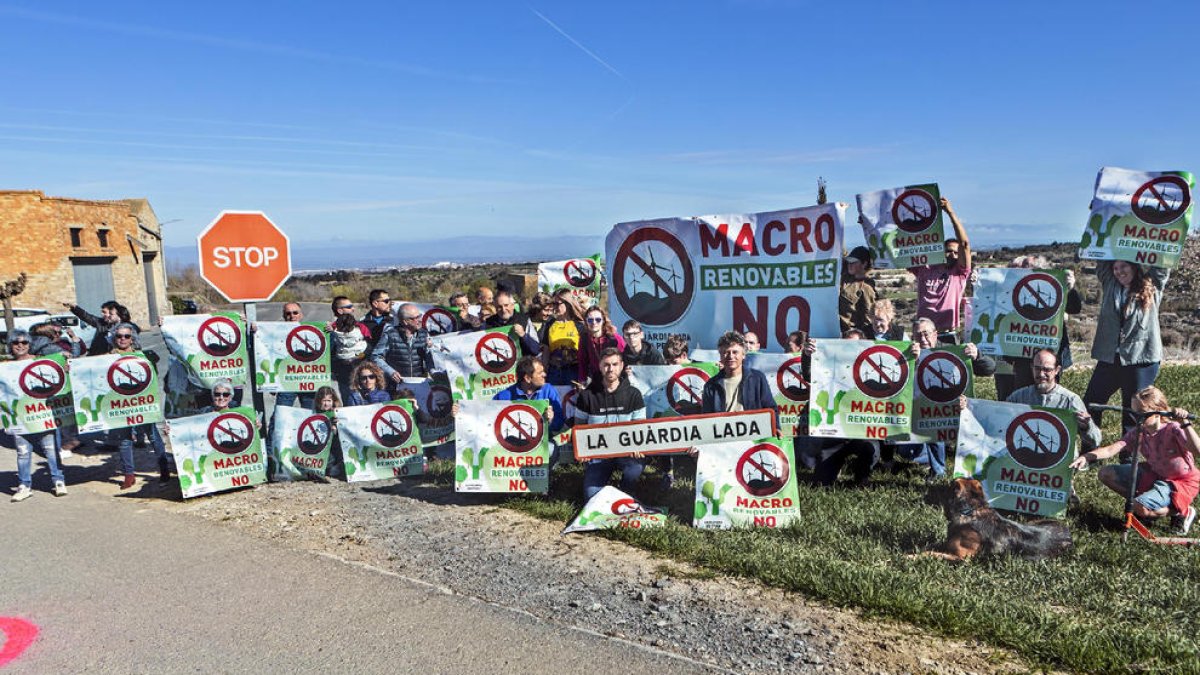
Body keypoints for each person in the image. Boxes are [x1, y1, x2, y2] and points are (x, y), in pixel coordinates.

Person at [1071, 386, 1198, 535]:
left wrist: (1185, 423)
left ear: (1158, 411)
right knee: (1105, 473)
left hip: (1180, 482)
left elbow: (1197, 450)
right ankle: (1144, 505)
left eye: (1143, 414)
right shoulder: (1139, 432)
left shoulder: (1173, 429)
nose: (1137, 418)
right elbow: (1111, 449)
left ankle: (1181, 511)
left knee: (1141, 508)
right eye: (1134, 413)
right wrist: (1087, 456)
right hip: (1155, 475)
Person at [1083, 259, 1170, 435]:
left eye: (1123, 266)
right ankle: (1090, 450)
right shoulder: (1110, 283)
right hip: (1110, 357)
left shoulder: (1152, 285)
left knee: (1133, 410)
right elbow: (1103, 259)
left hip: (1141, 359)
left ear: (1134, 266)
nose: (1118, 271)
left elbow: (1163, 264)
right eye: (1115, 267)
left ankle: (1129, 459)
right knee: (1091, 403)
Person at [994, 257, 1083, 401]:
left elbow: (1075, 308)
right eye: (1022, 268)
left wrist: (1070, 289)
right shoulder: (1010, 291)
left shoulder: (1055, 286)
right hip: (1021, 358)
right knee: (1022, 397)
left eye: (1029, 267)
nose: (1025, 271)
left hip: (1049, 357)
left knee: (1047, 396)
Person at [575, 348, 647, 499]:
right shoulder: (587, 395)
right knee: (591, 497)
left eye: (615, 364)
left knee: (635, 469)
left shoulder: (634, 394)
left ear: (621, 366)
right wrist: (582, 450)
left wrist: (638, 446)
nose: (610, 369)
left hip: (626, 452)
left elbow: (640, 429)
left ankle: (626, 490)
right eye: (606, 365)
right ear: (600, 366)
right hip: (598, 455)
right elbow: (578, 428)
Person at [108, 324, 171, 488]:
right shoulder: (107, 358)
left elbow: (154, 368)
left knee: (153, 436)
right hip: (121, 404)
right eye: (119, 336)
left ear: (132, 339)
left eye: (126, 336)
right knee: (124, 440)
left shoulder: (142, 355)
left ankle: (164, 469)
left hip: (142, 402)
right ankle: (129, 474)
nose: (122, 339)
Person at [7, 330, 67, 501]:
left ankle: (58, 481)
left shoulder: (41, 362)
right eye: (16, 342)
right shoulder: (5, 367)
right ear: (10, 345)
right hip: (19, 417)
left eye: (24, 342)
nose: (20, 345)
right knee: (23, 452)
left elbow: (58, 376)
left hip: (43, 414)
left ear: (29, 344)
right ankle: (24, 485)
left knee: (51, 450)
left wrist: (64, 366)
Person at [1004, 349, 1100, 453]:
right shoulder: (1018, 397)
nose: (1041, 374)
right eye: (1037, 368)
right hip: (1024, 460)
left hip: (1060, 462)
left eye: (1047, 369)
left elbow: (1096, 440)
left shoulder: (1070, 400)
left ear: (1057, 370)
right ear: (1032, 367)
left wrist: (1086, 427)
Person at [908, 197, 971, 337]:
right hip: (923, 333)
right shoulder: (925, 267)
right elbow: (901, 250)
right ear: (940, 251)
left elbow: (965, 244)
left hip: (947, 333)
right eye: (949, 251)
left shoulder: (959, 273)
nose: (953, 255)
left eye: (956, 252)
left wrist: (950, 212)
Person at [494, 357, 565, 462]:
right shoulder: (503, 396)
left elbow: (559, 424)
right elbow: (487, 418)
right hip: (511, 446)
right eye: (540, 373)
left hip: (542, 442)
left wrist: (551, 420)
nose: (544, 375)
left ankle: (545, 477)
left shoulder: (549, 390)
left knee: (551, 449)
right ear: (527, 378)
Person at [701, 331, 777, 415]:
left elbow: (771, 409)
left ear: (743, 355)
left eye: (735, 352)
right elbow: (707, 417)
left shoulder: (757, 379)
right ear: (720, 355)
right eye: (726, 352)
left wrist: (776, 427)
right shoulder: (711, 386)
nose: (731, 356)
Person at [371, 303, 435, 388]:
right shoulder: (390, 335)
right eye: (416, 318)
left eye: (419, 316)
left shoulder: (424, 334)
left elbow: (429, 360)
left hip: (419, 384)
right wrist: (390, 372)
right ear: (405, 321)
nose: (420, 320)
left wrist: (430, 350)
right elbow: (375, 356)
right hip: (396, 386)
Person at [327, 296, 371, 403]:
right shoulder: (328, 330)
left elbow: (369, 348)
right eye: (350, 307)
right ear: (340, 310)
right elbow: (327, 352)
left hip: (361, 372)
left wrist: (357, 357)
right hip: (342, 374)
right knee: (348, 402)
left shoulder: (361, 326)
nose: (353, 309)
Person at [540, 290, 585, 386]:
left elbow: (585, 352)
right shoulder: (550, 324)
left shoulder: (579, 325)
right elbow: (546, 351)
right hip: (554, 371)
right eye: (553, 303)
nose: (554, 307)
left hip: (573, 370)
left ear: (568, 304)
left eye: (557, 304)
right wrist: (543, 372)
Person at [484, 287, 540, 357]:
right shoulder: (488, 323)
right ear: (495, 307)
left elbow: (536, 349)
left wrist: (523, 335)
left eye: (506, 305)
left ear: (513, 305)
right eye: (499, 307)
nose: (503, 310)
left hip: (521, 364)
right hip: (498, 365)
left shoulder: (524, 320)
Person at [65, 300, 134, 355]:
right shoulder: (102, 323)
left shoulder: (127, 327)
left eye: (105, 312)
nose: (103, 315)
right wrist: (74, 307)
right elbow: (87, 317)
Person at [577, 306, 625, 385]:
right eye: (590, 320)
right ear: (586, 322)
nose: (594, 323)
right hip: (596, 379)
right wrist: (582, 380)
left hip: (614, 378)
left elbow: (624, 358)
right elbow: (583, 362)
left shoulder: (615, 338)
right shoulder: (584, 338)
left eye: (598, 320)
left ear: (603, 321)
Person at [840, 245, 877, 335]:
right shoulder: (845, 275)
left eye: (853, 262)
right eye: (848, 262)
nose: (849, 265)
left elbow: (867, 318)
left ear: (864, 264)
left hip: (848, 335)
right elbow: (840, 251)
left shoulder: (867, 288)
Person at [313, 386, 344, 479]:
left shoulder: (336, 414)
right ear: (319, 401)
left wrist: (336, 426)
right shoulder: (314, 414)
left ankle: (335, 467)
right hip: (320, 446)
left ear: (333, 401)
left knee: (336, 457)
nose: (326, 404)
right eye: (324, 401)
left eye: (329, 401)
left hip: (334, 446)